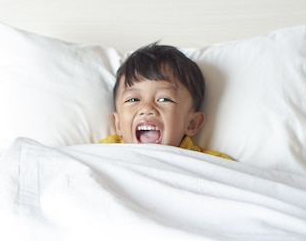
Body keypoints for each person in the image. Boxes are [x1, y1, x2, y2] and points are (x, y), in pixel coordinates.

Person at [100, 43, 233, 160]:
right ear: (117, 124)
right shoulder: (103, 154)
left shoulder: (213, 164)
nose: (147, 108)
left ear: (192, 123)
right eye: (133, 99)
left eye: (164, 99)